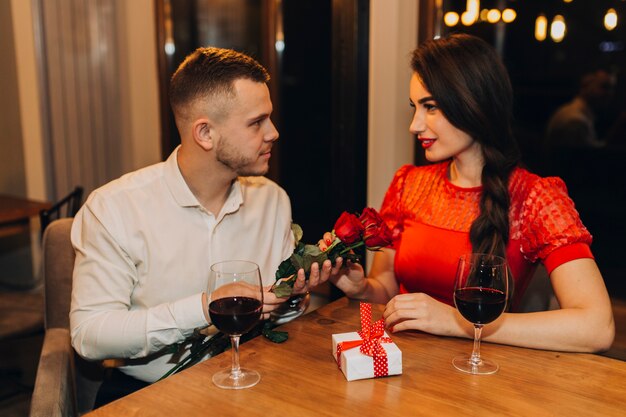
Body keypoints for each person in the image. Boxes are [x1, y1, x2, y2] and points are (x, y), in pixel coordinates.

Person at [302, 34, 615, 353]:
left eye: (431, 107)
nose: (414, 125)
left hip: (479, 370)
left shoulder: (536, 197)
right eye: (415, 107)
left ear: (473, 104)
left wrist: (457, 322)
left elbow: (596, 327)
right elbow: (387, 290)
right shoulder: (408, 184)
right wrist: (361, 288)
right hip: (404, 364)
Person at [70, 47, 293, 403]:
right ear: (205, 133)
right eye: (256, 122)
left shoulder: (273, 201)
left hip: (253, 380)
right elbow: (90, 335)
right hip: (148, 394)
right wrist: (202, 308)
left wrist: (293, 297)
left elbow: (279, 318)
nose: (273, 132)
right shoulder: (114, 208)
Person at [545, 69, 616, 151]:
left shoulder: (574, 113)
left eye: (612, 89)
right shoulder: (575, 120)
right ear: (585, 86)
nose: (610, 94)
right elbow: (585, 159)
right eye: (604, 87)